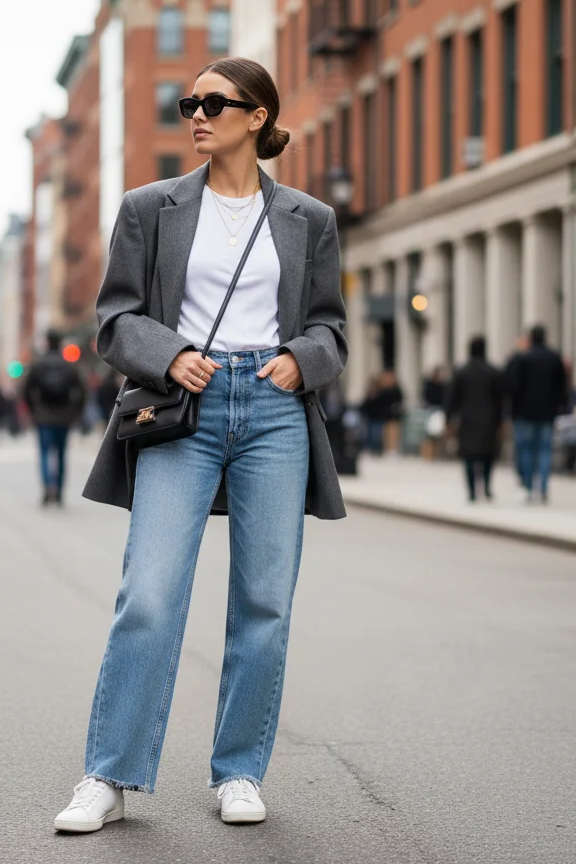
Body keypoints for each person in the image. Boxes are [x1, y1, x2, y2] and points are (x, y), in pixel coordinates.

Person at [59, 57, 347, 833]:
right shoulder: (149, 209)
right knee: (148, 596)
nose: (197, 113)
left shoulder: (309, 219)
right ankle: (108, 776)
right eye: (191, 102)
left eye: (215, 103)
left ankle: (240, 771)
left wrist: (300, 360)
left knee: (263, 602)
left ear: (257, 117)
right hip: (183, 405)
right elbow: (117, 320)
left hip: (276, 408)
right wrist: (169, 353)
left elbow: (331, 328)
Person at [24, 331, 86, 506]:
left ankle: (46, 487)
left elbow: (27, 390)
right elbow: (81, 391)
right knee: (61, 453)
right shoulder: (69, 366)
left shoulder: (38, 365)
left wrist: (33, 410)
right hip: (64, 416)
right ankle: (58, 490)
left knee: (44, 452)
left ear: (46, 343)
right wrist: (76, 411)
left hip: (43, 416)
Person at [506, 324, 567, 503]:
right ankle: (544, 487)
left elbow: (512, 386)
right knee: (545, 449)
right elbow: (562, 386)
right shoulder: (554, 358)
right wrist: (559, 407)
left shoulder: (522, 358)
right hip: (547, 412)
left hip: (524, 412)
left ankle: (528, 486)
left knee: (526, 449)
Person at [446, 336, 505, 502]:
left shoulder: (462, 372)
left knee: (469, 457)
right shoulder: (493, 372)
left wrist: (449, 419)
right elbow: (500, 399)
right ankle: (486, 486)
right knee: (487, 456)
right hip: (489, 419)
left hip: (467, 419)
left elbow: (451, 398)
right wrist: (501, 420)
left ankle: (472, 490)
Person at [361, 370, 403, 455]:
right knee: (375, 435)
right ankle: (375, 449)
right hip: (375, 416)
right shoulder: (378, 391)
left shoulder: (393, 391)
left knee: (384, 433)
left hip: (386, 416)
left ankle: (388, 450)